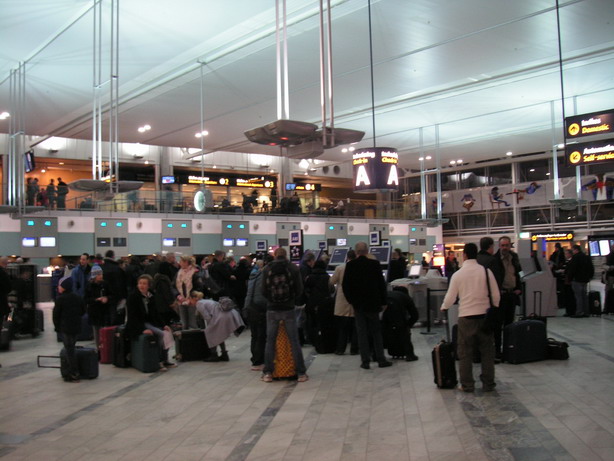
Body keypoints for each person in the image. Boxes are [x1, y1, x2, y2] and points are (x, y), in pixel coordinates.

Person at [440, 243, 500, 392]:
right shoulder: (486, 272)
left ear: (464, 255)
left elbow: (451, 296)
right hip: (485, 317)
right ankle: (488, 383)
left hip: (466, 317)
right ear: (476, 255)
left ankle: (467, 384)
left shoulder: (458, 274)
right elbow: (496, 295)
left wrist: (444, 306)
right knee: (487, 352)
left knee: (465, 352)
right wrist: (493, 308)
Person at [342, 242, 393, 370]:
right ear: (367, 251)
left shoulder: (350, 265)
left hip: (358, 305)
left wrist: (351, 301)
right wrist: (384, 302)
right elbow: (381, 284)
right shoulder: (374, 264)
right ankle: (381, 359)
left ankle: (365, 361)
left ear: (356, 252)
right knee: (376, 332)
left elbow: (345, 286)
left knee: (362, 333)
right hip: (373, 303)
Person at [260, 247, 308, 383]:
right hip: (288, 308)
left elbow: (263, 290)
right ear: (286, 255)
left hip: (272, 309)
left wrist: (271, 299)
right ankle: (301, 373)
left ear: (275, 255)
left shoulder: (267, 268)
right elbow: (299, 289)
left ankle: (268, 373)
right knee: (294, 341)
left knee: (270, 341)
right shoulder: (293, 268)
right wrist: (291, 299)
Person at [125, 274, 176, 371]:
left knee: (167, 332)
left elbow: (156, 313)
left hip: (150, 322)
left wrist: (164, 325)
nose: (141, 286)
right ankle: (159, 361)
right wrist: (142, 330)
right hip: (139, 323)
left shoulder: (151, 296)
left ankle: (165, 358)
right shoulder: (133, 297)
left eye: (144, 284)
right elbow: (132, 317)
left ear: (149, 286)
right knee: (160, 334)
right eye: (140, 283)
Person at [489, 236, 522, 360]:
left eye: (507, 245)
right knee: (498, 324)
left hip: (512, 294)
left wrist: (519, 288)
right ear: (499, 246)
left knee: (509, 324)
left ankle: (508, 349)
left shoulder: (514, 257)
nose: (504, 248)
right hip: (500, 295)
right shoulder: (495, 260)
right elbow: (493, 278)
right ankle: (498, 351)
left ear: (510, 245)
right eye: (502, 245)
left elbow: (519, 273)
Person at [192, 292, 245, 361]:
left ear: (194, 298)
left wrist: (210, 326)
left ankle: (214, 355)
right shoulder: (206, 300)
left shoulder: (199, 303)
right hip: (229, 314)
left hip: (222, 316)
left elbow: (207, 317)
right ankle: (224, 354)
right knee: (219, 334)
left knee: (210, 333)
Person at [53, 277, 86, 383]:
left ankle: (73, 373)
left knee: (69, 350)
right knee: (71, 348)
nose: (58, 287)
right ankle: (73, 372)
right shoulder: (77, 297)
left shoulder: (60, 299)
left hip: (65, 327)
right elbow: (83, 310)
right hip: (76, 327)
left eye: (60, 285)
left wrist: (57, 327)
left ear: (64, 287)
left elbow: (56, 315)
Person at [244, 257, 271, 370]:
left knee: (254, 336)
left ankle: (255, 360)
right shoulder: (265, 276)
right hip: (261, 308)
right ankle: (259, 361)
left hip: (251, 307)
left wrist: (245, 308)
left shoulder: (254, 275)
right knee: (261, 336)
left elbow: (249, 293)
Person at [329, 249, 358, 355]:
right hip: (355, 299)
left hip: (342, 299)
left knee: (342, 328)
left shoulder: (340, 268)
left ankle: (340, 349)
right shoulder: (358, 268)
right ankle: (354, 349)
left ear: (347, 257)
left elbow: (332, 281)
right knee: (355, 328)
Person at [384, 285, 419, 361]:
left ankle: (377, 355)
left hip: (384, 308)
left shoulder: (388, 293)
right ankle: (410, 355)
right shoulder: (406, 297)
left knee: (385, 331)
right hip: (398, 312)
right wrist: (408, 324)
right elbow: (415, 315)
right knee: (403, 332)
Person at [84, 265, 110, 348]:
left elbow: (111, 295)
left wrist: (107, 298)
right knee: (96, 330)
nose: (100, 276)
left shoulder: (105, 284)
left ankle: (104, 348)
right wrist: (96, 300)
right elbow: (86, 299)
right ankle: (98, 348)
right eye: (98, 274)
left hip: (104, 311)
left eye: (101, 274)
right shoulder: (89, 286)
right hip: (94, 311)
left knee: (104, 330)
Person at [566, 244, 595, 317]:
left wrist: (569, 278)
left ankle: (579, 312)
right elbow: (591, 268)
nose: (572, 252)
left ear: (576, 250)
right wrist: (590, 277)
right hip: (585, 280)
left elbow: (573, 269)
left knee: (578, 297)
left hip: (577, 279)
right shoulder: (586, 257)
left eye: (573, 250)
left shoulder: (575, 257)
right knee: (584, 296)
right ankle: (586, 312)